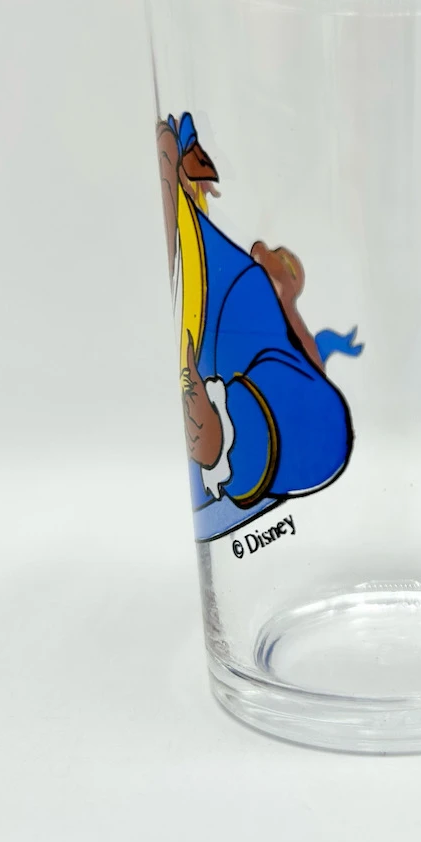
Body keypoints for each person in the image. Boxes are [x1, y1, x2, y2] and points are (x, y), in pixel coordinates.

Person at [156, 112, 359, 542]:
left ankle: (227, 439)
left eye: (278, 258)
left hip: (262, 425)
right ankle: (226, 438)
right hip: (246, 522)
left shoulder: (251, 288)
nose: (262, 247)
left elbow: (310, 375)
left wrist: (224, 429)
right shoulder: (238, 282)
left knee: (324, 422)